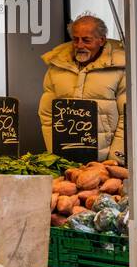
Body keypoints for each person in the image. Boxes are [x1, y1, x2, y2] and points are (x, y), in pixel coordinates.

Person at [39, 13, 127, 162]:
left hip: (106, 163)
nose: (80, 45)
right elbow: (47, 114)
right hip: (65, 159)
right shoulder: (56, 67)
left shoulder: (121, 69)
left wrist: (115, 159)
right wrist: (54, 154)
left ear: (102, 40)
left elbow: (128, 117)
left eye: (86, 40)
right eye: (75, 39)